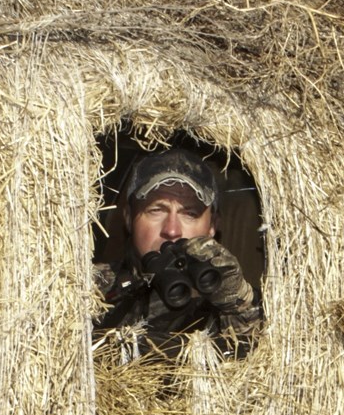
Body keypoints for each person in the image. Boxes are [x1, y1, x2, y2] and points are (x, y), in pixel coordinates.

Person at [94, 147, 262, 347]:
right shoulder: (95, 290)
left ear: (212, 226)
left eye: (190, 213)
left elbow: (260, 351)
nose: (172, 231)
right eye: (157, 210)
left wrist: (236, 301)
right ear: (129, 218)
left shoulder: (229, 298)